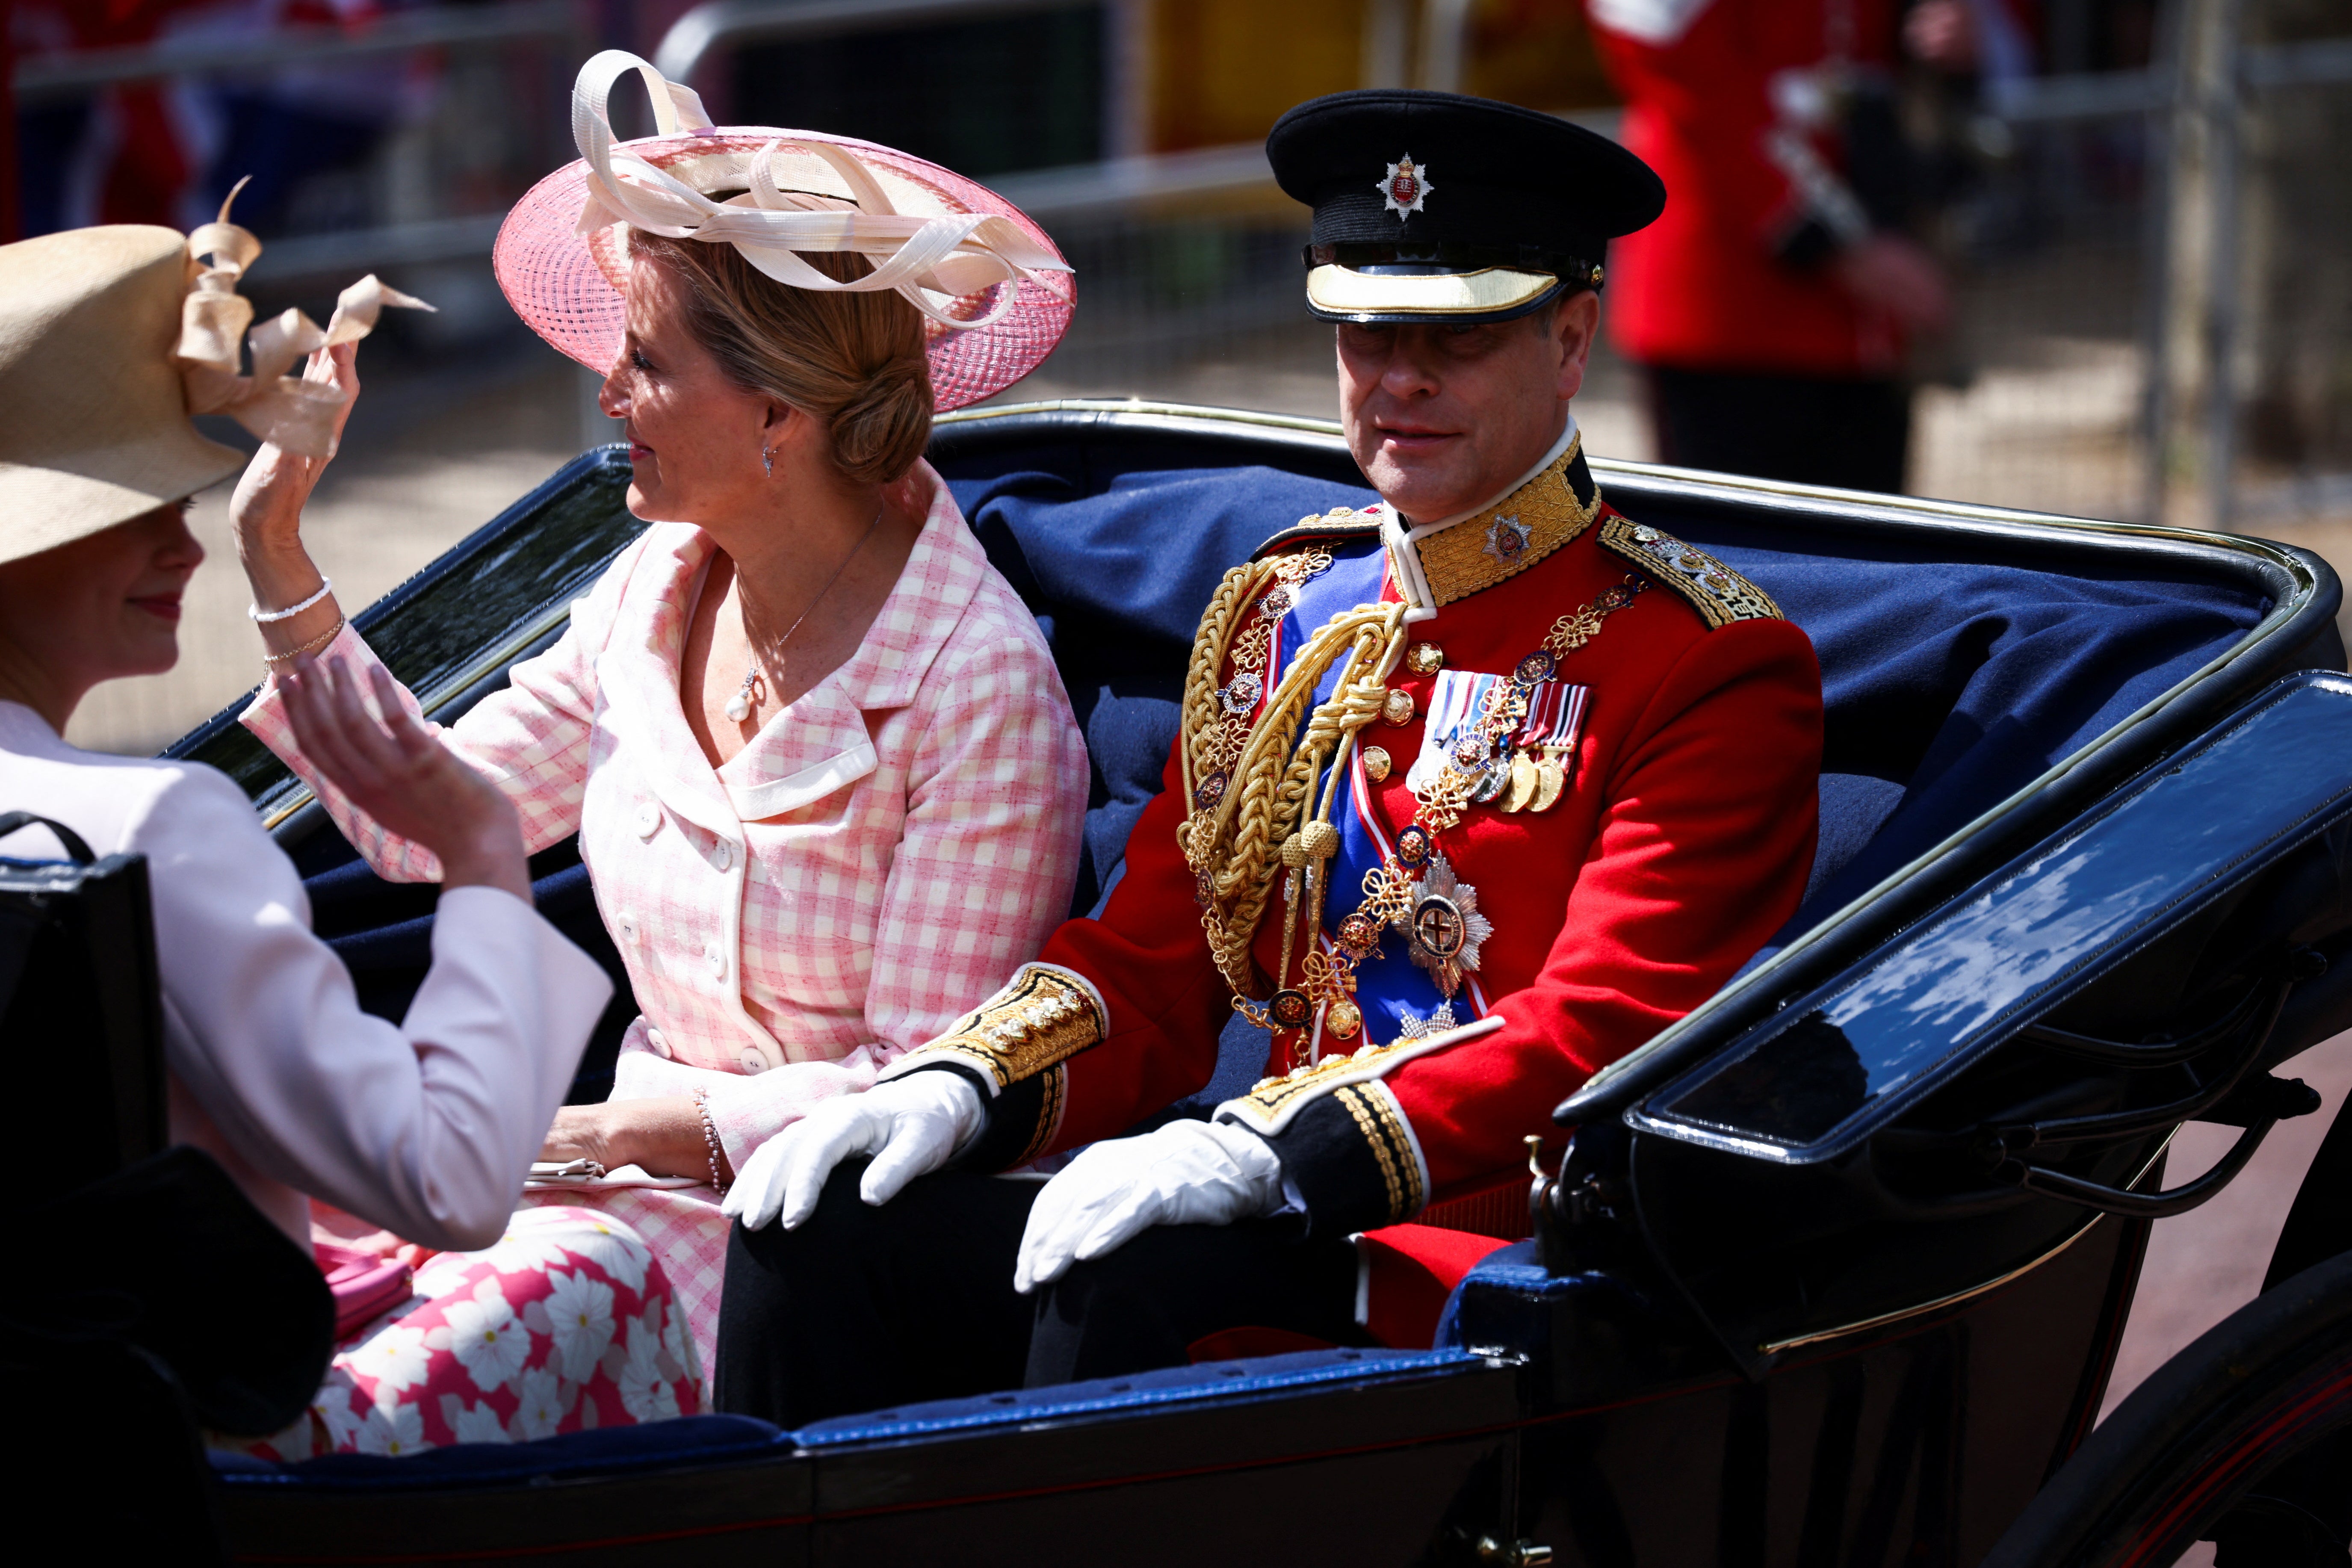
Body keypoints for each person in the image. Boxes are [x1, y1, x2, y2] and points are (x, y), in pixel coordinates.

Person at [714, 89, 1826, 1424]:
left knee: (1125, 1275)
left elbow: (1598, 1028)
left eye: (1457, 335)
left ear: (1571, 336)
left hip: (1471, 1265)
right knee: (817, 1227)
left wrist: (1258, 1149)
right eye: (1365, 329)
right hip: (1240, 1210)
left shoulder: (1701, 659)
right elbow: (1153, 960)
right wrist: (959, 1085)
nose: (1399, 377)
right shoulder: (1281, 613)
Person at [233, 50, 1090, 1382]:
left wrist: (612, 1132)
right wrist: (280, 558)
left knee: (384, 1379)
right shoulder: (654, 587)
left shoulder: (974, 686)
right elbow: (431, 823)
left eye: (642, 361)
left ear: (779, 414)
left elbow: (929, 1091)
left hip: (799, 1257)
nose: (605, 394)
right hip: (591, 1186)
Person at [0, 216, 670, 1460]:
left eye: (178, 497)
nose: (176, 541)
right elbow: (451, 1178)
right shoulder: (155, 826)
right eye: (117, 505)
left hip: (58, 1416)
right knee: (605, 1264)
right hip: (189, 1449)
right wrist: (482, 850)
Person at [1584, 0, 1955, 492]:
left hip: (1870, 312)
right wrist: (1835, 240)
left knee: (1871, 554)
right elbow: (1681, 72)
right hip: (1730, 307)